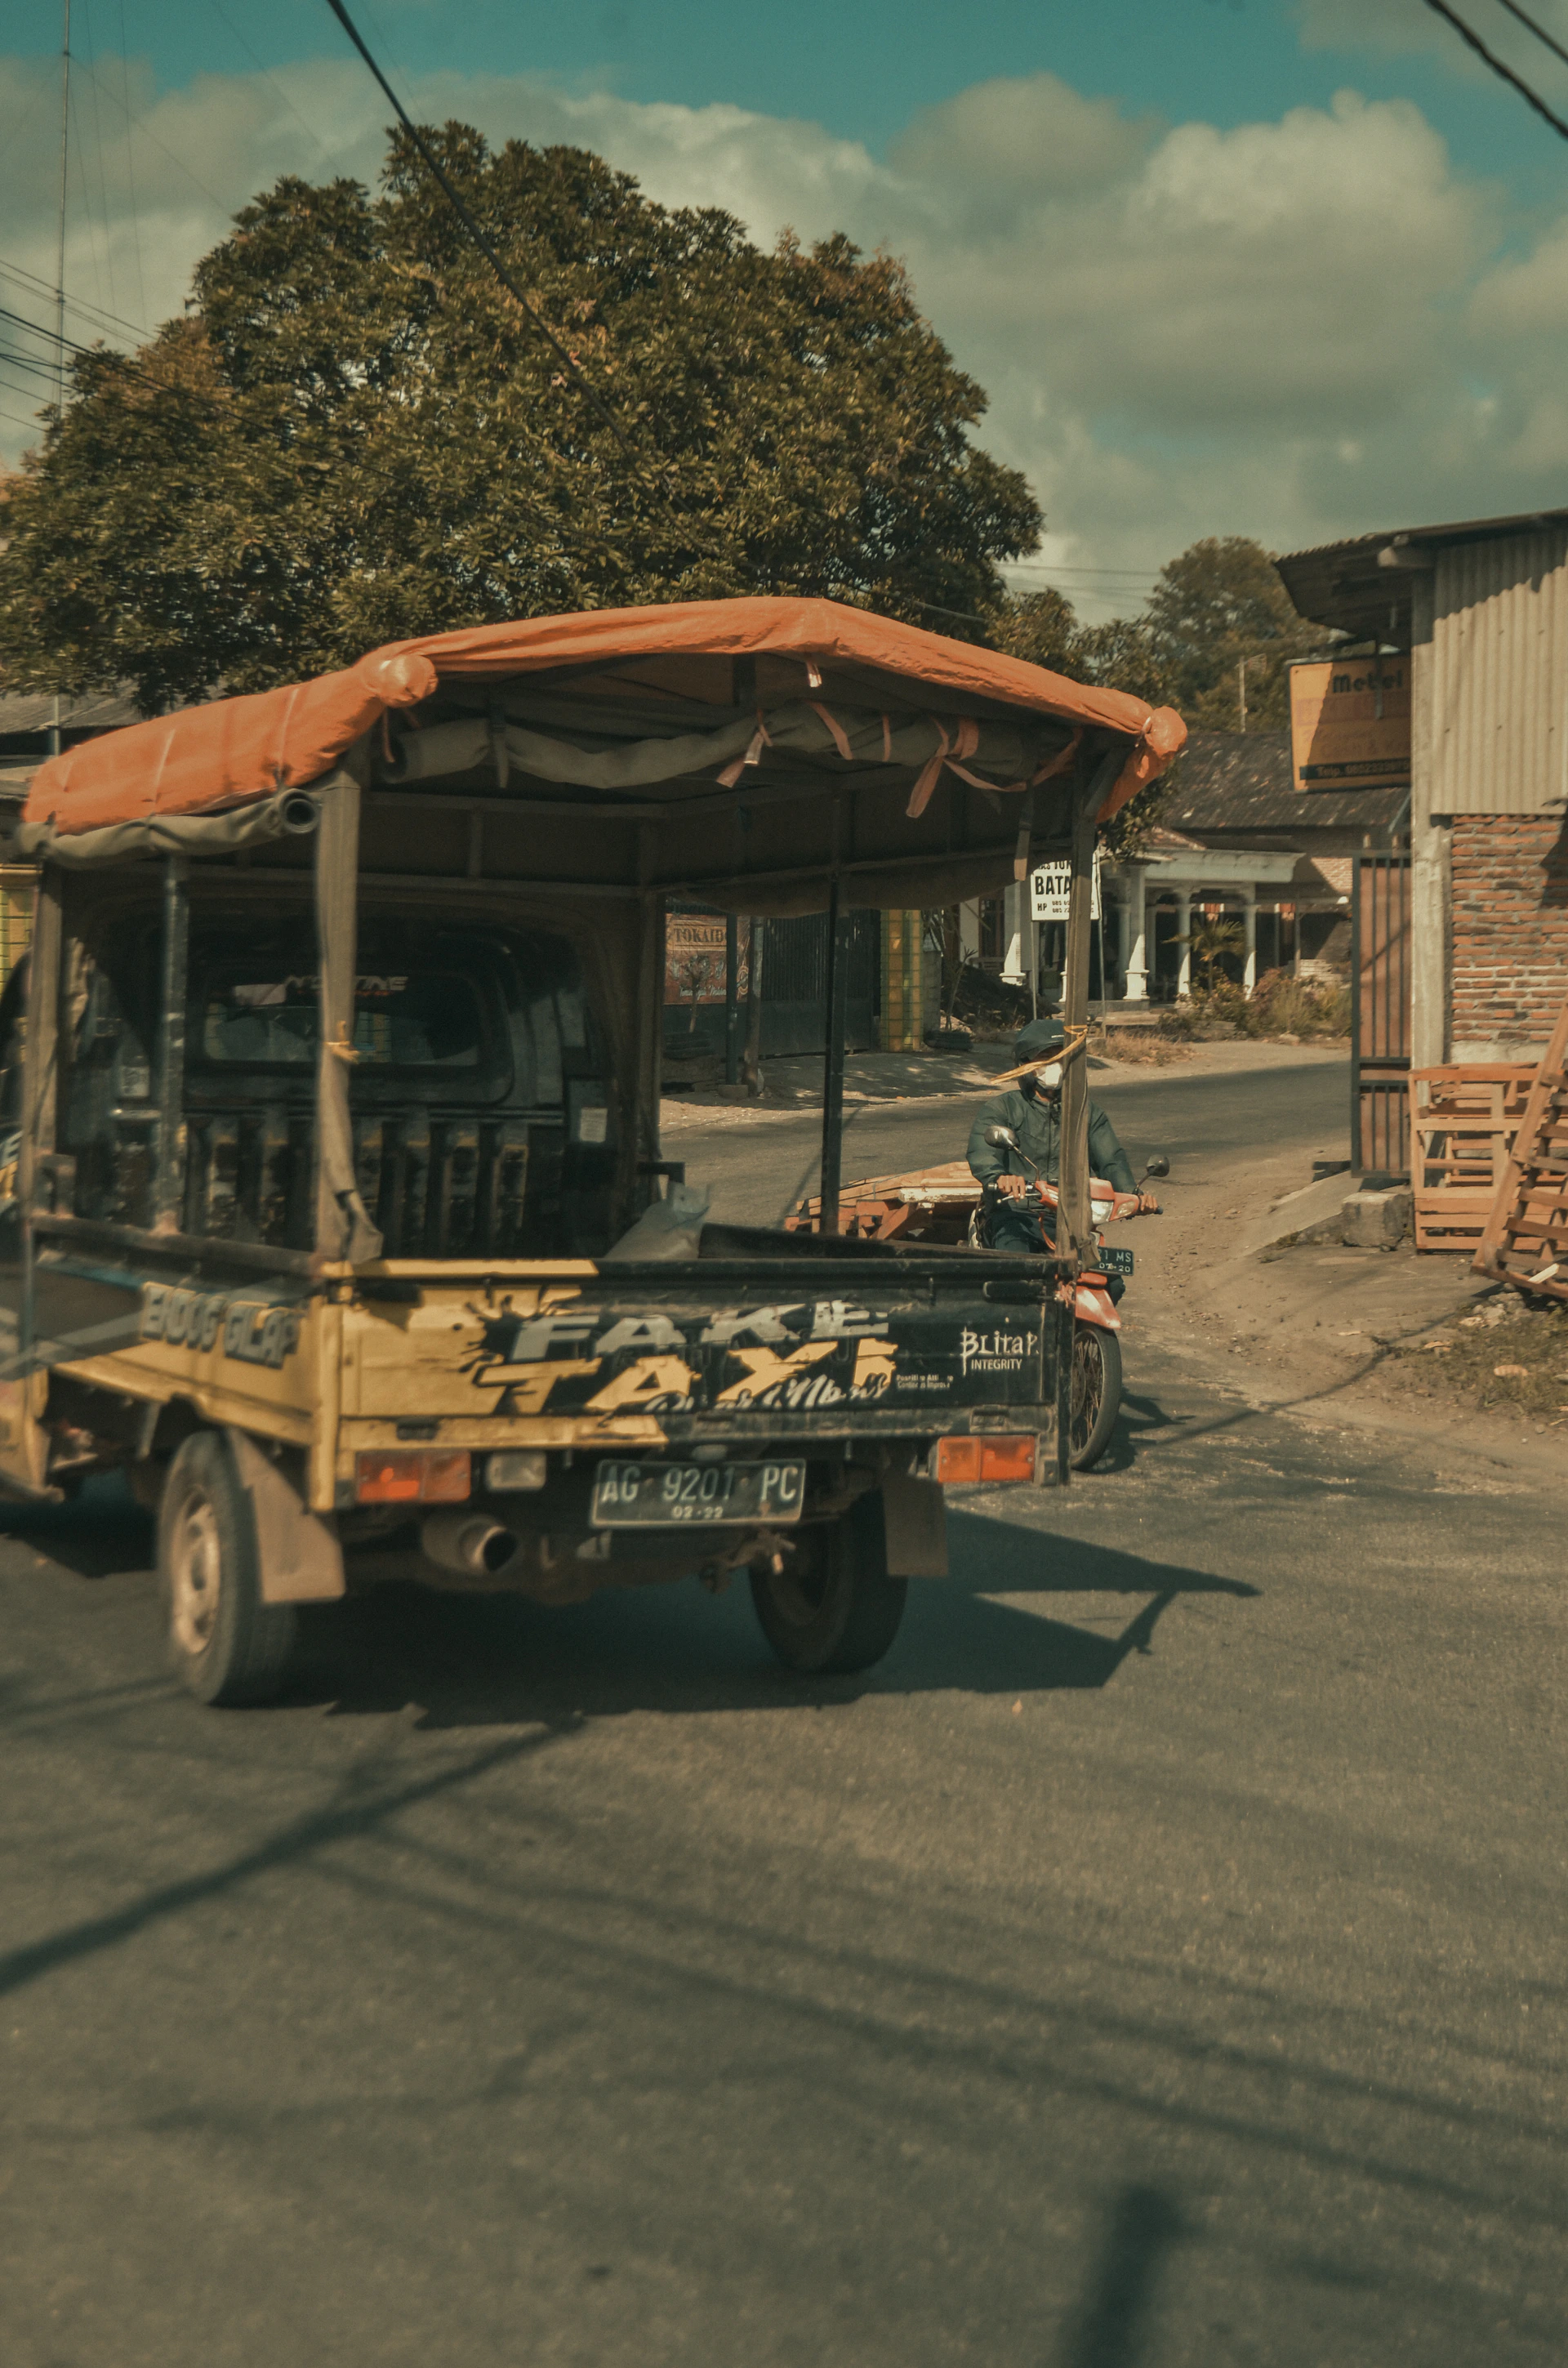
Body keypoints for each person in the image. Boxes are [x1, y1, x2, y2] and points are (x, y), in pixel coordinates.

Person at [966, 1015, 1156, 1264]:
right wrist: (999, 1178)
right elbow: (983, 1151)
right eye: (1046, 1058)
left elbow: (1111, 1159)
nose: (1055, 1064)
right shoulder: (1003, 1108)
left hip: (1072, 1219)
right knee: (1016, 1268)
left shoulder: (1086, 1113)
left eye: (1061, 1057)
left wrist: (1135, 1195)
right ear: (1026, 1065)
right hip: (1015, 1215)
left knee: (1112, 1282)